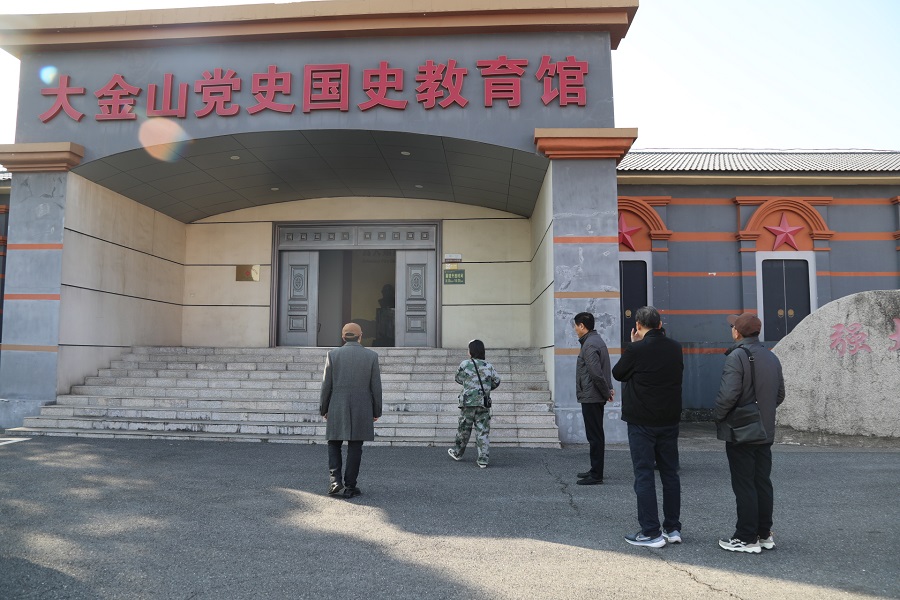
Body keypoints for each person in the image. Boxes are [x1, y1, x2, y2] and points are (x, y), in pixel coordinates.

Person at [612, 306, 684, 548]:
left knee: (644, 474)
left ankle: (651, 532)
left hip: (642, 420)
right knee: (670, 474)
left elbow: (618, 373)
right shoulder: (675, 348)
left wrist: (634, 345)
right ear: (660, 325)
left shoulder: (636, 349)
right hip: (669, 419)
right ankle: (673, 528)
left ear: (638, 326)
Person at [714, 313, 785, 553]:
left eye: (732, 327)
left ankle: (746, 537)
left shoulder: (737, 356)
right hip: (765, 430)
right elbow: (780, 395)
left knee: (744, 484)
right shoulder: (771, 356)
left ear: (737, 332)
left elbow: (728, 395)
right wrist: (763, 411)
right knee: (762, 482)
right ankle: (764, 534)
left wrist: (719, 415)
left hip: (742, 430)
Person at [319, 322, 383, 499]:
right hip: (362, 405)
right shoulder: (371, 356)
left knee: (334, 442)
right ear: (360, 336)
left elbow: (326, 385)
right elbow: (376, 387)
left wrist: (324, 408)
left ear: (343, 336)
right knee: (355, 446)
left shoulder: (333, 355)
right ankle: (350, 486)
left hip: (337, 403)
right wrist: (376, 410)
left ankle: (335, 480)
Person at [573, 312, 614, 485]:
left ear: (582, 326)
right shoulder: (596, 341)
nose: (575, 329)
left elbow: (596, 373)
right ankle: (594, 469)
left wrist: (606, 392)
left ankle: (596, 475)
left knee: (595, 436)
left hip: (592, 396)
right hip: (594, 395)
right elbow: (605, 368)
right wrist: (608, 388)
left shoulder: (589, 344)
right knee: (595, 434)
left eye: (576, 326)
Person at [448, 339, 500, 468]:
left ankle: (458, 453)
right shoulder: (489, 366)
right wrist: (486, 388)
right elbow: (496, 381)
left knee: (464, 429)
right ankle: (483, 460)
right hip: (483, 403)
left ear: (471, 351)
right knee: (483, 431)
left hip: (468, 402)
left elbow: (458, 378)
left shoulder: (465, 364)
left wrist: (469, 384)